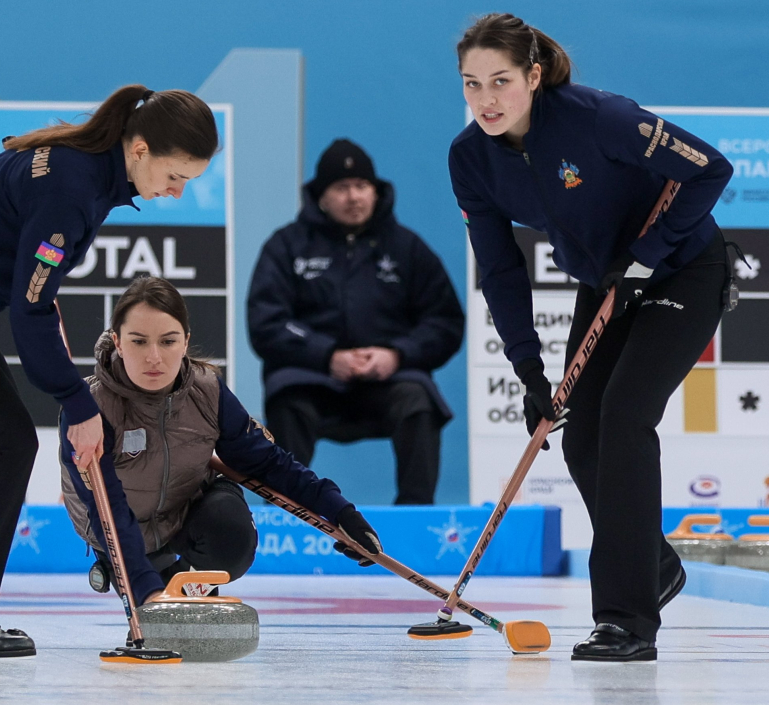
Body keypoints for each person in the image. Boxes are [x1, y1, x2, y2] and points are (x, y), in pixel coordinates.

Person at [0, 84, 219, 658]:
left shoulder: (92, 170)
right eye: (176, 176)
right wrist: (78, 404)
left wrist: (71, 394)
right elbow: (29, 311)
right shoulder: (73, 189)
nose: (176, 192)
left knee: (1, 444)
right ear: (142, 148)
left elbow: (33, 294)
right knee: (5, 444)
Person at [449, 14, 735, 661]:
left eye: (500, 81)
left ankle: (626, 619)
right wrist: (527, 367)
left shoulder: (599, 117)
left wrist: (648, 252)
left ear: (534, 75)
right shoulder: (470, 159)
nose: (486, 99)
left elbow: (709, 169)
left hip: (682, 267)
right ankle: (652, 564)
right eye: (471, 85)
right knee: (580, 435)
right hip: (606, 283)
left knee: (625, 416)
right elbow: (499, 266)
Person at [58, 276, 382, 605]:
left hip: (183, 517)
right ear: (118, 342)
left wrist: (341, 512)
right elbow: (105, 509)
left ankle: (188, 577)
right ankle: (153, 578)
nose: (154, 357)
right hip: (118, 532)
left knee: (230, 530)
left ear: (185, 342)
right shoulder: (88, 410)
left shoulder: (208, 392)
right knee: (147, 583)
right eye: (139, 342)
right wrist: (144, 591)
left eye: (167, 342)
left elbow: (268, 463)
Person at [247, 139, 465, 505]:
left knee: (419, 400)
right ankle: (287, 511)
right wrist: (326, 355)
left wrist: (396, 354)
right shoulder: (286, 246)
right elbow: (266, 322)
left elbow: (444, 321)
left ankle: (415, 517)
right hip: (312, 376)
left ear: (376, 192)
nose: (354, 197)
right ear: (321, 196)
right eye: (342, 188)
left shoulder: (408, 248)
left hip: (389, 378)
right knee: (287, 398)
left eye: (362, 186)